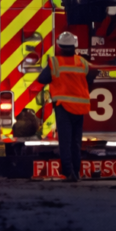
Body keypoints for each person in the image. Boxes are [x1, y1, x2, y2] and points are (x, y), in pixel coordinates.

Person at [37, 30, 98, 181]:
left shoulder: (55, 62)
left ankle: (68, 172)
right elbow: (93, 74)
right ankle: (76, 172)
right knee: (76, 142)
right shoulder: (81, 62)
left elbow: (42, 79)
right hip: (79, 108)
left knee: (65, 142)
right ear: (74, 46)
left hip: (63, 108)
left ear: (59, 47)